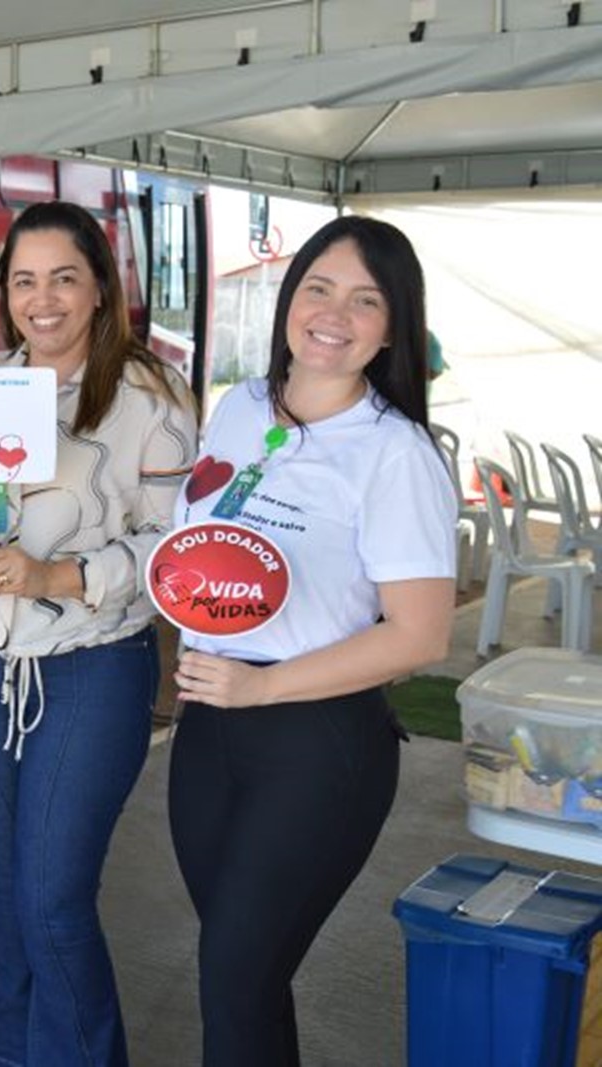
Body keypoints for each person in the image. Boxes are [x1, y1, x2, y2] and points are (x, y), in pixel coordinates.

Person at [167, 215, 456, 1067]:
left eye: (366, 300)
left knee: (234, 973)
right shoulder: (238, 406)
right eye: (319, 287)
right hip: (210, 723)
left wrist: (263, 685)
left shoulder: (395, 453)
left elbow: (421, 634)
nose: (335, 313)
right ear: (289, 297)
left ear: (393, 327)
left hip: (317, 742)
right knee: (242, 975)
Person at [0, 200, 197, 1066]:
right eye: (24, 280)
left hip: (90, 667)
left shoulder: (151, 396)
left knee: (51, 896)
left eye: (64, 278)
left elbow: (176, 546)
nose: (44, 299)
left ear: (101, 290)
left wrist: (60, 576)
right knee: (7, 886)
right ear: (5, 292)